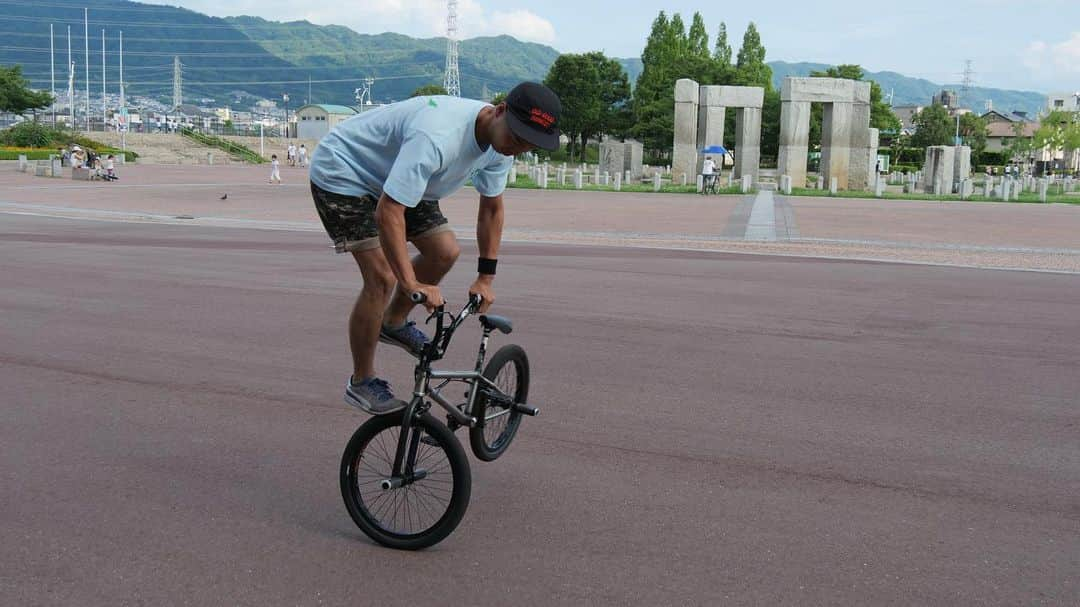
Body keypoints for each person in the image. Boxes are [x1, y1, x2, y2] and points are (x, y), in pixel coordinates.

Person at [309, 81, 561, 415]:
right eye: (516, 139)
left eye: (527, 146)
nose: (516, 149)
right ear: (498, 111)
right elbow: (389, 212)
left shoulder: (503, 145)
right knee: (382, 277)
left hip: (400, 177)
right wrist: (411, 284)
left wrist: (486, 277)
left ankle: (393, 322)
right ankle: (362, 381)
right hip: (345, 171)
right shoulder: (438, 135)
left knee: (445, 251)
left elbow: (492, 209)